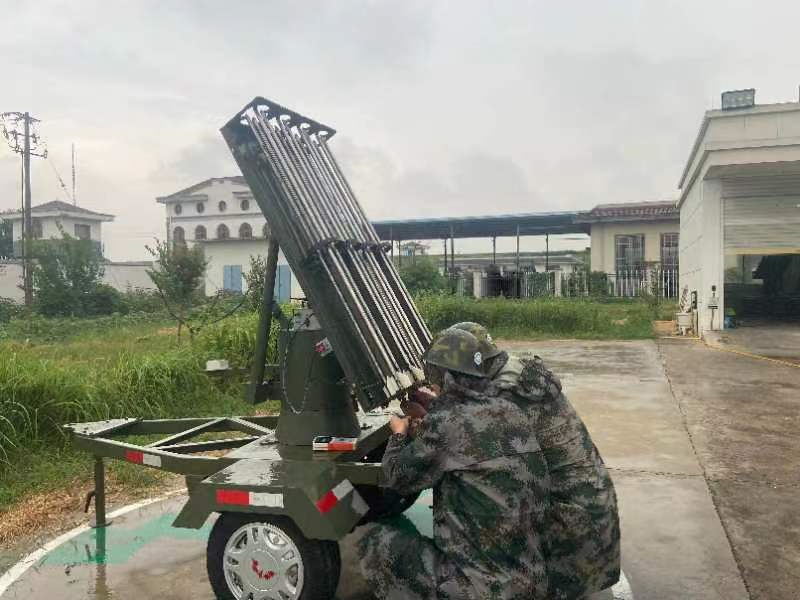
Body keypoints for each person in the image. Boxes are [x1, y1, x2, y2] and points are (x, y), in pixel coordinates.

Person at [356, 328, 552, 599]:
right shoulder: (508, 410)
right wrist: (434, 409)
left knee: (376, 544)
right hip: (533, 577)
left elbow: (394, 477)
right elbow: (469, 428)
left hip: (487, 587)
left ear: (446, 377)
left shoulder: (447, 425)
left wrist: (399, 434)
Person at [452, 321, 621, 599]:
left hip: (569, 522)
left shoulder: (506, 394)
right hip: (591, 506)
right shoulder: (519, 371)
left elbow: (476, 449)